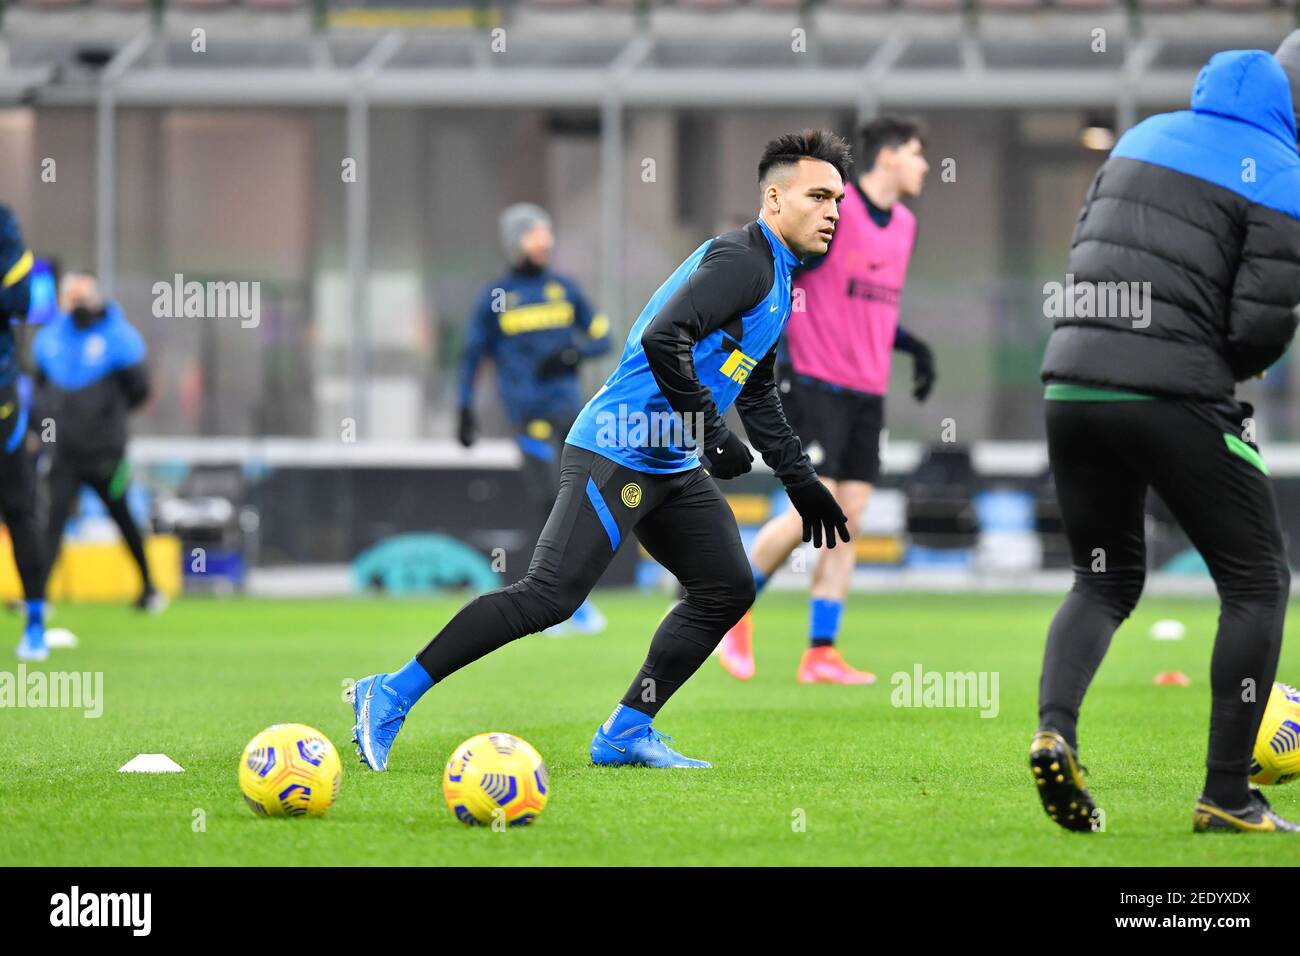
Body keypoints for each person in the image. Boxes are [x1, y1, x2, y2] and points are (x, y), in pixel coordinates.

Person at [350, 129, 853, 771]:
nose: (833, 211)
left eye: (838, 200)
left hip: (671, 462)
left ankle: (626, 730)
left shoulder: (778, 281)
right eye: (818, 195)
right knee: (547, 598)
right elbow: (663, 339)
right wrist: (710, 432)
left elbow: (756, 391)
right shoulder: (742, 262)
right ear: (775, 199)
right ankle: (388, 693)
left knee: (726, 588)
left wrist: (801, 481)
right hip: (616, 449)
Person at [1034, 49, 1300, 833]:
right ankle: (1227, 795)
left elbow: (1087, 249)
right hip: (1170, 391)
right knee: (1257, 581)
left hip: (1071, 385)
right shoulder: (1281, 170)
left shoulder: (1141, 135)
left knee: (1102, 581)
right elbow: (1261, 324)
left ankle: (1056, 730)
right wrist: (1217, 376)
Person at [718, 116, 934, 684]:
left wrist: (913, 347)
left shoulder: (905, 225)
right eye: (916, 153)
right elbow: (787, 277)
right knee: (811, 507)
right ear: (887, 158)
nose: (925, 165)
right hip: (812, 381)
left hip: (868, 391)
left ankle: (821, 650)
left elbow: (873, 304)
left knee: (850, 517)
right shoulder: (834, 210)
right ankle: (729, 611)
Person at [456, 203, 611, 633]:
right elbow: (471, 357)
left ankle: (572, 599)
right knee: (548, 501)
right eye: (534, 234)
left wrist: (571, 353)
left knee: (577, 502)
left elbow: (603, 338)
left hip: (572, 418)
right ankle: (557, 601)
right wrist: (463, 408)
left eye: (547, 233)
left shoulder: (565, 289)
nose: (545, 241)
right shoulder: (496, 297)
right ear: (515, 240)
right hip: (528, 418)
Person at [33, 271, 163, 613]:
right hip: (65, 454)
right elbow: (41, 400)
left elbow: (140, 391)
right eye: (73, 298)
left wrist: (110, 425)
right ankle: (38, 597)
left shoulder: (118, 339)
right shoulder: (50, 342)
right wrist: (46, 440)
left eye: (85, 297)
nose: (80, 305)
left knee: (122, 517)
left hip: (107, 454)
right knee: (52, 522)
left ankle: (149, 587)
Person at [0, 206, 49, 660]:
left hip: (2, 405)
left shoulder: (4, 222)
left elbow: (18, 299)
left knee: (19, 511)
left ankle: (35, 622)